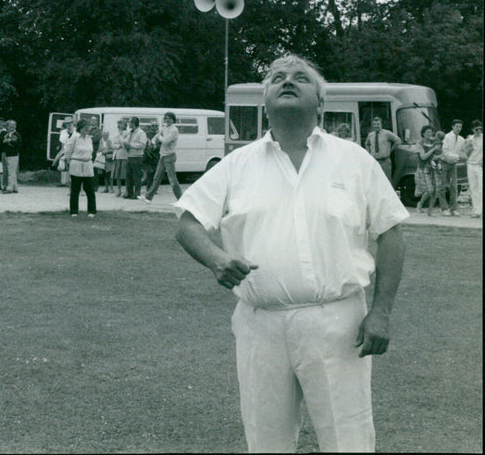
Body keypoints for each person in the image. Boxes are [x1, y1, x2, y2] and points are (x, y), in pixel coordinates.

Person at [174, 54, 408, 452]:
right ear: (265, 99)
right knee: (266, 440)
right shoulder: (237, 164)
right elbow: (187, 222)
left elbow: (391, 233)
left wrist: (381, 312)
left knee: (347, 437)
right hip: (260, 324)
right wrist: (217, 258)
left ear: (320, 102)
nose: (287, 81)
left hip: (337, 323)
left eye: (301, 78)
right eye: (277, 77)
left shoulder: (353, 160)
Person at [143, 112, 183, 202]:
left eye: (169, 118)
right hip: (162, 156)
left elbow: (165, 141)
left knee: (172, 180)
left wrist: (159, 135)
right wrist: (152, 142)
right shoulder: (165, 128)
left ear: (173, 120)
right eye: (166, 118)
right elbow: (156, 138)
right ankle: (148, 197)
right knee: (156, 178)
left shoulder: (174, 130)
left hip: (169, 156)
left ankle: (180, 200)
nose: (167, 120)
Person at [65, 119, 97, 217]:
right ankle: (74, 211)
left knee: (90, 190)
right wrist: (69, 162)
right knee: (75, 190)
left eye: (89, 127)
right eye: (85, 127)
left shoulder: (89, 138)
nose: (88, 129)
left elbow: (90, 152)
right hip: (76, 165)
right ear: (80, 128)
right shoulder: (74, 137)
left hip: (88, 165)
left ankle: (91, 211)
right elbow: (68, 151)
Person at [438, 119, 466, 216]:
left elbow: (463, 152)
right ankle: (444, 208)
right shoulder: (446, 137)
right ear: (452, 127)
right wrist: (458, 157)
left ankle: (453, 209)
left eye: (460, 127)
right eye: (457, 126)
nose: (459, 128)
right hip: (443, 162)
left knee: (454, 186)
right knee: (442, 186)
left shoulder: (462, 139)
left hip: (453, 164)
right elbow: (444, 152)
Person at [414, 126, 444, 215]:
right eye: (427, 132)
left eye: (431, 132)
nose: (429, 134)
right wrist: (433, 150)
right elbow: (423, 157)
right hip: (424, 168)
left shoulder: (434, 142)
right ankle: (420, 204)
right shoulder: (419, 144)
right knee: (429, 190)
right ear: (423, 133)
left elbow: (440, 154)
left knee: (436, 190)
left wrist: (438, 156)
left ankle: (430, 210)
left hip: (433, 168)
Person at [365, 116, 401, 185]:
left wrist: (390, 150)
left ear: (381, 124)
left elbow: (398, 140)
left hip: (385, 161)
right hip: (374, 161)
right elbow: (367, 143)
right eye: (375, 124)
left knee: (386, 181)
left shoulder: (387, 133)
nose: (376, 126)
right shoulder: (370, 135)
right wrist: (369, 153)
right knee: (374, 181)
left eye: (378, 124)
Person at [123, 117, 147, 199]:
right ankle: (129, 192)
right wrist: (124, 144)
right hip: (129, 156)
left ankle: (137, 193)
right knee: (128, 175)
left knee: (136, 176)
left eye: (130, 123)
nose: (129, 124)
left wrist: (131, 145)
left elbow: (142, 145)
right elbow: (126, 141)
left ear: (134, 123)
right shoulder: (130, 132)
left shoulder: (141, 133)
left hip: (137, 157)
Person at [464, 120, 482, 218]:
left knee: (481, 189)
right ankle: (477, 211)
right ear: (472, 129)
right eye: (476, 129)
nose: (478, 131)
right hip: (470, 165)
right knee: (473, 188)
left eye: (480, 129)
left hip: (480, 165)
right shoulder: (469, 138)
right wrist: (469, 146)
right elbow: (466, 154)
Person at [2, 119, 21, 193]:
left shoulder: (16, 134)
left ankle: (10, 188)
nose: (12, 127)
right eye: (10, 126)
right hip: (8, 154)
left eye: (13, 126)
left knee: (11, 172)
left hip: (13, 154)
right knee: (11, 171)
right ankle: (15, 187)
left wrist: (9, 141)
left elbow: (17, 143)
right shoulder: (7, 135)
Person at [111, 120, 129, 197]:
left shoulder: (127, 133)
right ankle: (119, 190)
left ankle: (126, 191)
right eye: (118, 124)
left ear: (125, 125)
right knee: (117, 175)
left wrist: (120, 137)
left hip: (125, 156)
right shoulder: (116, 134)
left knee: (125, 175)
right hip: (117, 156)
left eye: (121, 124)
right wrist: (119, 146)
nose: (119, 125)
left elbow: (126, 144)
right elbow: (112, 145)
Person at [56, 117, 75, 187]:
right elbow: (63, 145)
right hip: (67, 152)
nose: (69, 125)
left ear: (72, 123)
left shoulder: (76, 132)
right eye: (67, 124)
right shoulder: (63, 133)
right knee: (67, 169)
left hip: (75, 153)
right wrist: (61, 154)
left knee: (74, 170)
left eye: (70, 123)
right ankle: (69, 185)